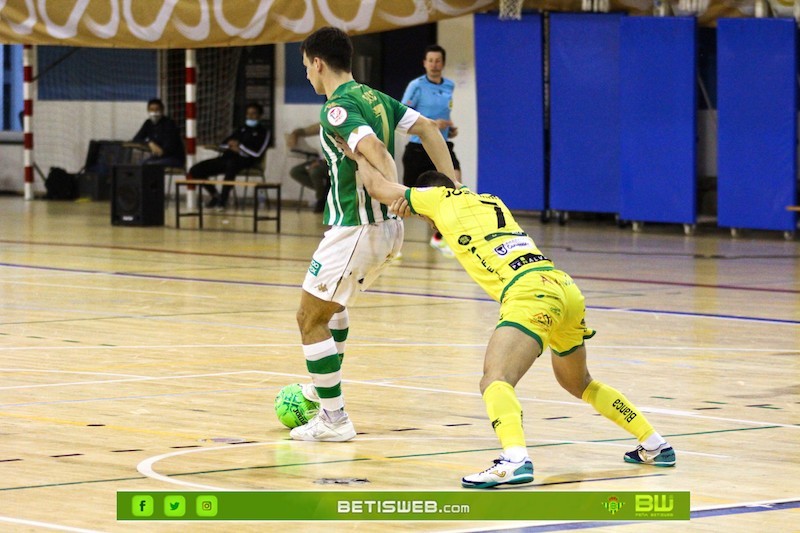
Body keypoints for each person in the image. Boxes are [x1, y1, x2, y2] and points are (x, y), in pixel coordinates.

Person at [344, 151, 677, 489]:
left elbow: (378, 187)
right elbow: (450, 189)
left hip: (529, 293)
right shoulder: (485, 199)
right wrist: (415, 205)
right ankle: (654, 444)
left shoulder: (437, 199)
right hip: (562, 285)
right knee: (579, 383)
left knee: (495, 378)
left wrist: (355, 150)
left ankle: (514, 460)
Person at [289, 27, 455, 442]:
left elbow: (377, 153)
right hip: (382, 231)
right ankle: (321, 391)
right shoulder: (374, 97)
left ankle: (334, 418)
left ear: (318, 62)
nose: (307, 75)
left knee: (309, 318)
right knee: (332, 308)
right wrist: (452, 195)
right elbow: (431, 130)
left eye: (306, 67)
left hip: (359, 229)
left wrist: (396, 195)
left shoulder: (338, 108)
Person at [401, 45, 461, 258]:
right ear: (424, 63)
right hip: (418, 148)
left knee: (454, 184)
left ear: (443, 63)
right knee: (404, 199)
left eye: (438, 61)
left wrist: (449, 128)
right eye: (430, 60)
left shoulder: (450, 86)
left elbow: (445, 112)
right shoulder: (416, 86)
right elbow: (402, 114)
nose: (434, 64)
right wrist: (432, 124)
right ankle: (390, 242)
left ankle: (439, 238)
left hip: (442, 146)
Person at [187, 103, 269, 210]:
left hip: (246, 160)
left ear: (260, 115)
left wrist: (240, 147)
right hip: (226, 158)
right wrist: (230, 145)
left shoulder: (264, 132)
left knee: (232, 165)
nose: (250, 116)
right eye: (248, 114)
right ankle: (215, 195)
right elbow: (224, 144)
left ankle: (223, 200)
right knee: (196, 169)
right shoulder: (241, 129)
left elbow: (257, 153)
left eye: (253, 114)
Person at [286, 123, 329, 213]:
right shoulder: (325, 123)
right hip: (320, 160)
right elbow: (307, 131)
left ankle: (321, 199)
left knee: (315, 171)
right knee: (296, 171)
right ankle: (325, 193)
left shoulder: (341, 127)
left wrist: (321, 162)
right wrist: (295, 133)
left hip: (332, 162)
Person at [132, 98, 185, 168]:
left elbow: (168, 148)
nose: (154, 112)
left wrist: (161, 150)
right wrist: (149, 143)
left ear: (162, 110)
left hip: (174, 158)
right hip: (158, 158)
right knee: (138, 164)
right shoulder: (148, 123)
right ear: (148, 110)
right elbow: (136, 139)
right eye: (151, 109)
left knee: (147, 165)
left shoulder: (169, 124)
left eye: (157, 109)